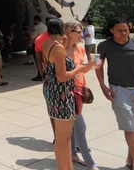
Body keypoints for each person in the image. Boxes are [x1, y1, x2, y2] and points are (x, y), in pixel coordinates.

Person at [96, 18, 134, 170]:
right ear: (112, 30)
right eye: (120, 30)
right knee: (129, 128)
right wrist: (103, 86)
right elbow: (98, 66)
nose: (124, 33)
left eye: (126, 30)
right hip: (119, 90)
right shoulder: (104, 46)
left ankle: (130, 159)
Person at [42, 18, 95, 170]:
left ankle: (65, 166)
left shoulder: (47, 43)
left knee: (61, 137)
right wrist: (78, 69)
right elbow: (62, 76)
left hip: (52, 91)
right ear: (62, 30)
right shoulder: (57, 47)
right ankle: (65, 167)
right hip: (62, 94)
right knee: (64, 138)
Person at [65, 21, 99, 170]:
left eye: (81, 31)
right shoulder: (60, 50)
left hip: (79, 90)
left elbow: (81, 71)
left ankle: (73, 154)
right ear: (68, 32)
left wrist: (89, 66)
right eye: (78, 32)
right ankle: (91, 163)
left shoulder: (80, 49)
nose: (81, 34)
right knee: (80, 127)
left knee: (73, 126)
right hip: (66, 92)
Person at [32, 16, 48, 81]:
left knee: (38, 61)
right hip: (46, 46)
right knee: (44, 61)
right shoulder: (45, 26)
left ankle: (40, 75)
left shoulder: (36, 27)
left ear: (36, 20)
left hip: (37, 45)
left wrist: (28, 42)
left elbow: (32, 37)